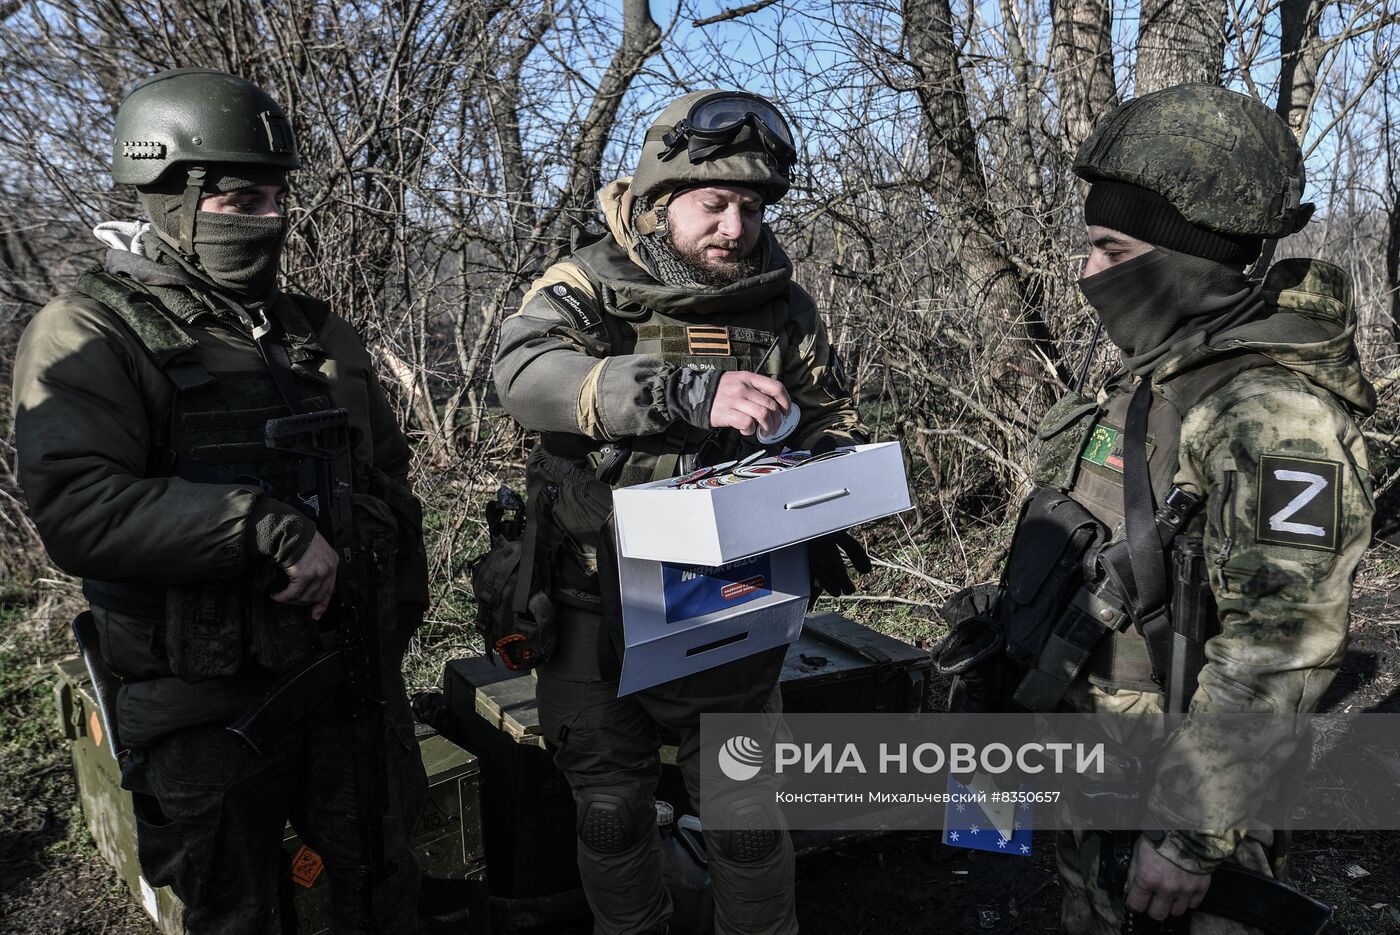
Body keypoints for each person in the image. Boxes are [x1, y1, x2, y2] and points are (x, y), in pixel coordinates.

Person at [937, 84, 1374, 932]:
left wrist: (1184, 833)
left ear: (1185, 259)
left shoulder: (1272, 414)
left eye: (1112, 249)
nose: (1088, 272)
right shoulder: (1164, 372)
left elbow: (1278, 647)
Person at [13, 68, 431, 934]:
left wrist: (390, 587)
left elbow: (386, 472)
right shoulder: (90, 331)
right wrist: (262, 526)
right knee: (236, 910)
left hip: (350, 683)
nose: (267, 220)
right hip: (206, 706)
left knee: (380, 890)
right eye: (240, 198)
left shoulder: (315, 331)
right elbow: (79, 506)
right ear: (167, 196)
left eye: (277, 197)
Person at [492, 90, 868, 934]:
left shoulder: (781, 307)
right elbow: (523, 376)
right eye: (713, 204)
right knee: (611, 813)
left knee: (745, 821)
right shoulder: (588, 284)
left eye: (751, 206)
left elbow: (836, 421)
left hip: (731, 597)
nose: (735, 229)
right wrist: (681, 391)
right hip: (594, 598)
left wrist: (817, 474)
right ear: (661, 201)